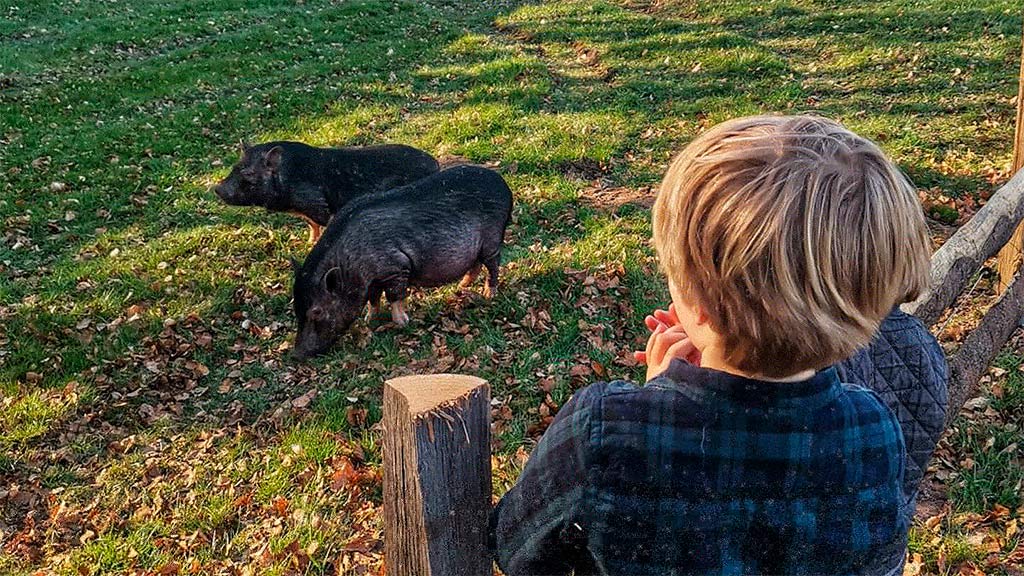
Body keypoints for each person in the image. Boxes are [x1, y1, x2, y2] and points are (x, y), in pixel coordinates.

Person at [491, 115, 934, 575]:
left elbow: (514, 546)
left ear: (699, 308)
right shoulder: (874, 430)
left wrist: (654, 405)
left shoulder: (603, 429)